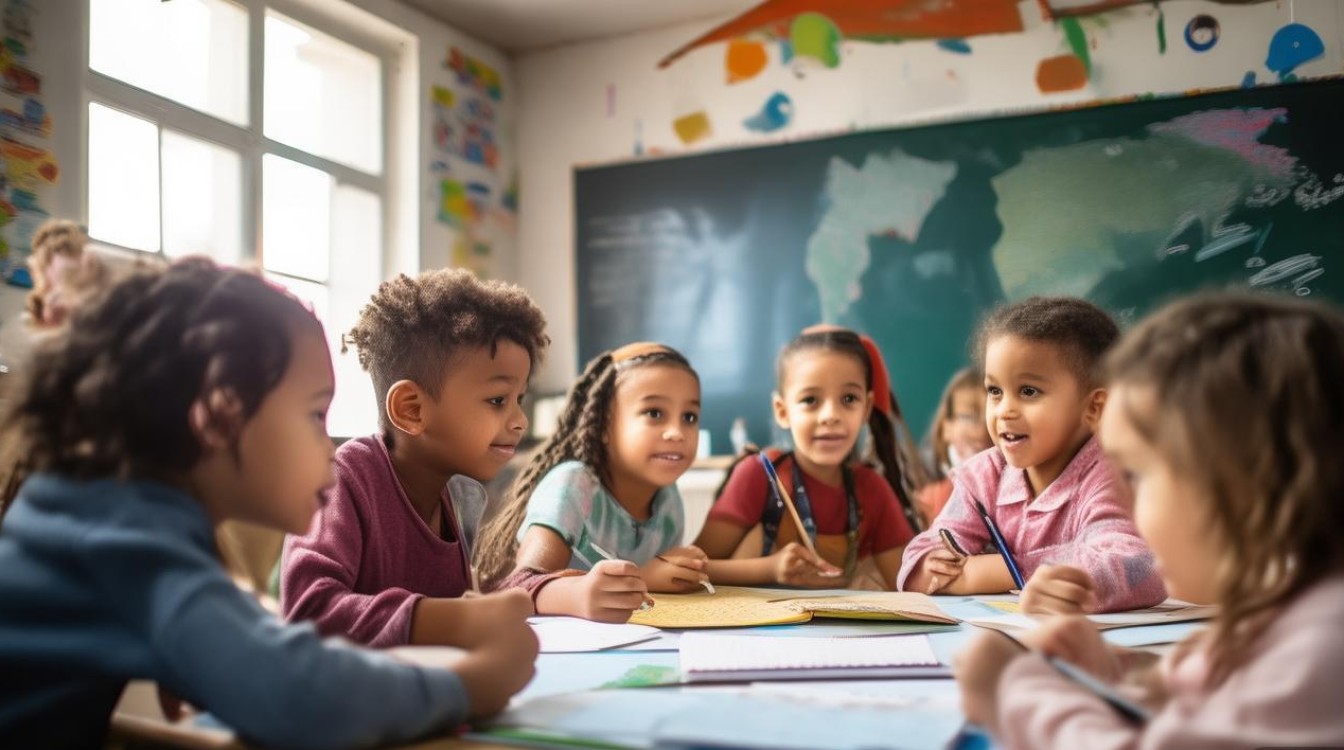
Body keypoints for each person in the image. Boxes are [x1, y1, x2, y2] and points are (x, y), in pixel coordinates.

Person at [0, 259, 536, 748]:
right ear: (219, 417)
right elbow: (297, 692)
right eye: (313, 416)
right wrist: (468, 686)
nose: (329, 448)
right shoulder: (121, 542)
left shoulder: (96, 515)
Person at [956, 292, 1344, 748]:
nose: (1125, 501)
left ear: (1243, 484)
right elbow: (1214, 692)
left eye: (1136, 474)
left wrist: (1013, 691)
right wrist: (1112, 671)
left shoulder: (1322, 645)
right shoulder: (1280, 612)